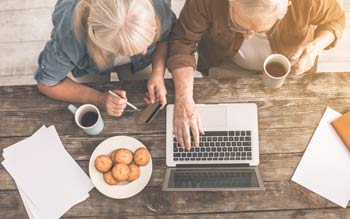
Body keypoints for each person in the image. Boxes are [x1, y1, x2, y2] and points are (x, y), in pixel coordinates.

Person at [166, 0, 346, 150]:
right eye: (238, 26)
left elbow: (335, 20)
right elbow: (182, 42)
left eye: (258, 30)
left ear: (286, 7)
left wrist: (314, 47)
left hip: (291, 69)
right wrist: (183, 97)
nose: (248, 37)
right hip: (226, 63)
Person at [34, 0, 176, 117]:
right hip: (91, 67)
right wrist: (98, 98)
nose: (145, 51)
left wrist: (157, 72)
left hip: (139, 64)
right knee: (94, 83)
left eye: (149, 42)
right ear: (99, 43)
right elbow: (47, 83)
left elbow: (165, 38)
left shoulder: (157, 5)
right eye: (125, 51)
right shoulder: (70, 37)